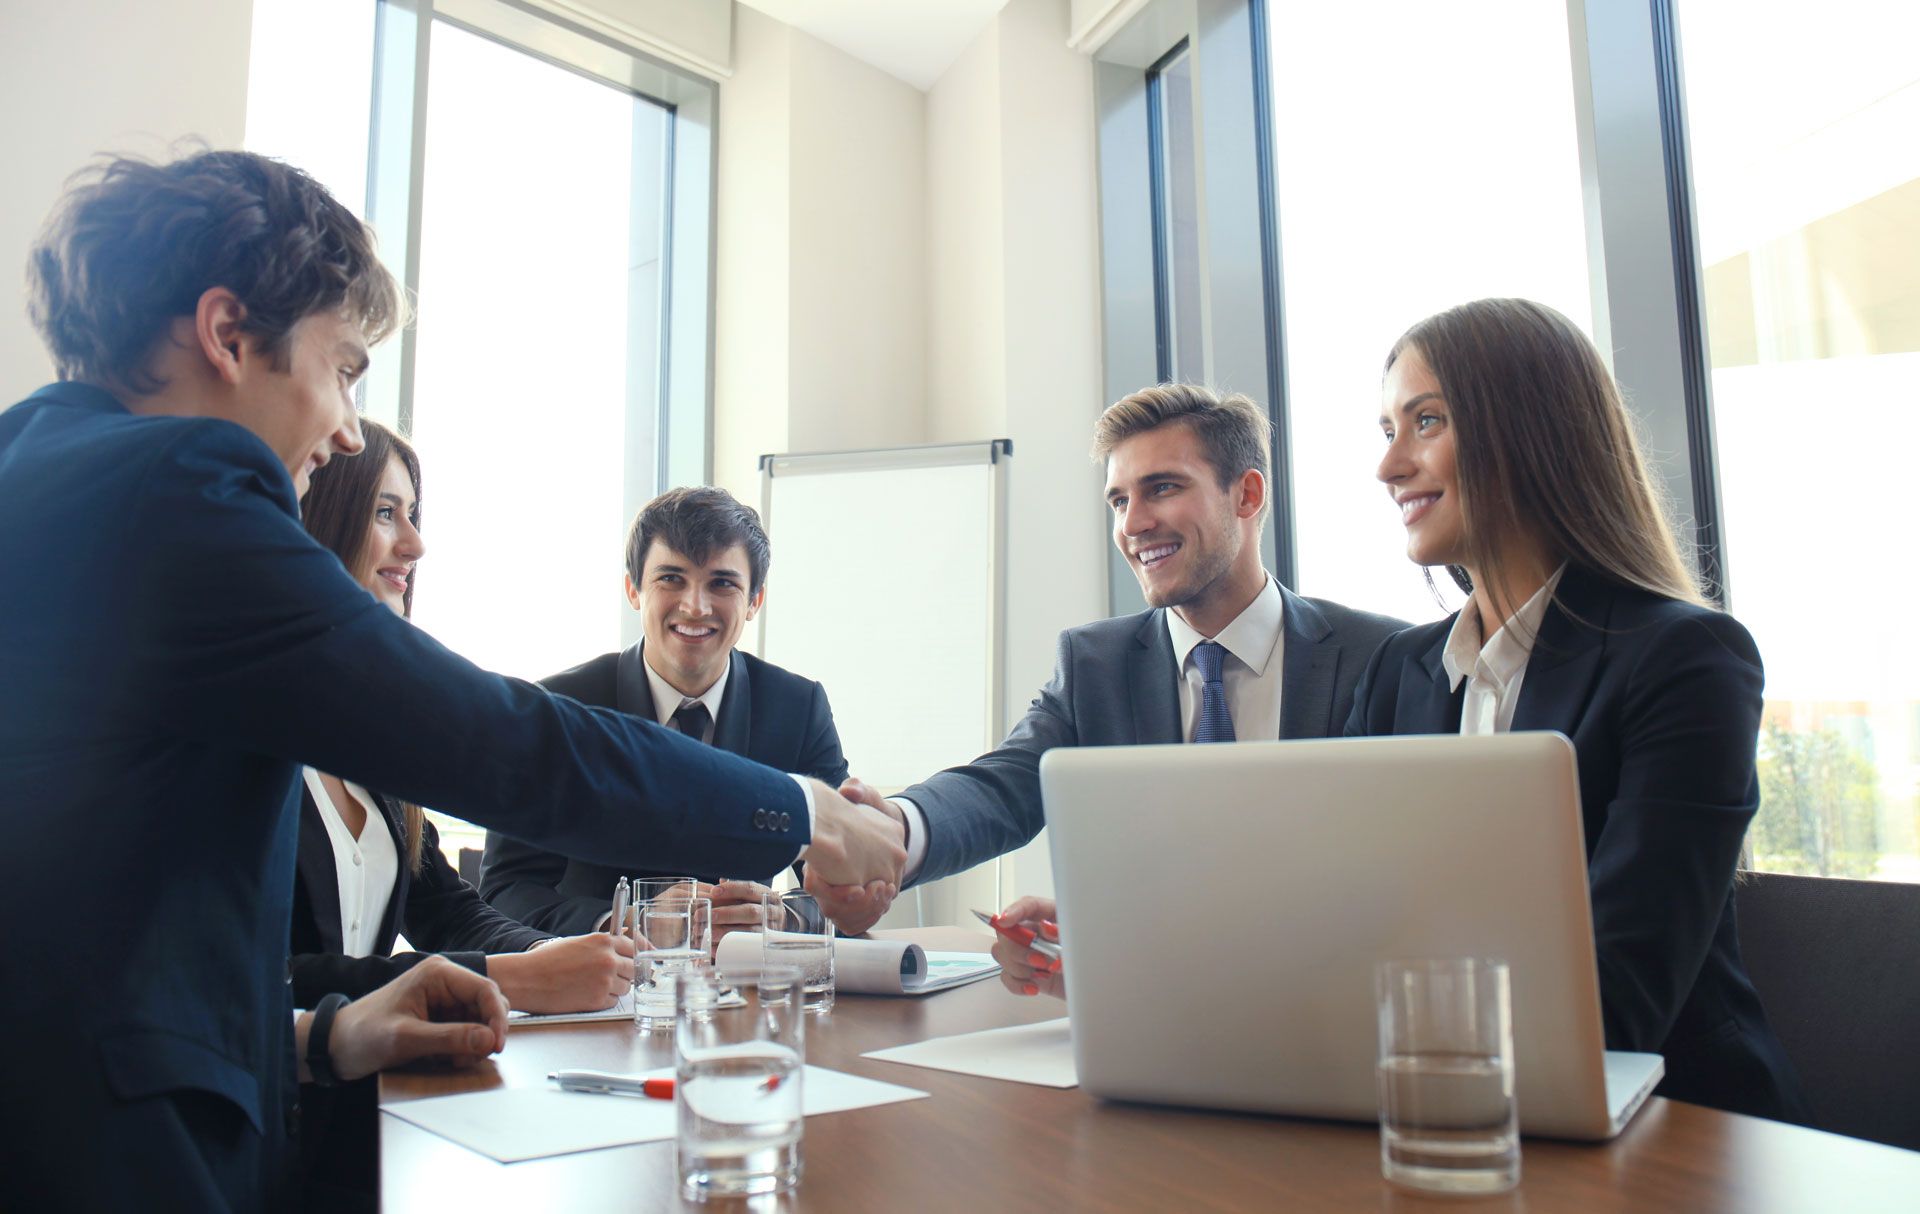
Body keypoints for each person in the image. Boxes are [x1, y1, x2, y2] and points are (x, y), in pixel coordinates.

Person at [0, 149, 902, 1211]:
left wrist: (319, 1031)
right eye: (342, 369)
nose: (342, 428)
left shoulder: (38, 468)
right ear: (228, 334)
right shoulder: (181, 486)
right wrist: (805, 813)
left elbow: (100, 918)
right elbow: (505, 742)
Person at [1347, 297, 1806, 1124]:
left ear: (1528, 430)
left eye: (1427, 421)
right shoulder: (1399, 670)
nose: (1390, 467)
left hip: (1675, 1125)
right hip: (1447, 1105)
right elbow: (1332, 905)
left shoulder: (1687, 658)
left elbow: (1619, 995)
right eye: (1389, 431)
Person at [818, 383, 1407, 932]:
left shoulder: (1382, 658)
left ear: (1247, 494)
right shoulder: (1095, 663)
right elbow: (1005, 786)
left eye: (1163, 488)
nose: (1133, 524)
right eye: (1119, 500)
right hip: (1146, 1017)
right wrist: (894, 828)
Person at [481, 485, 854, 939]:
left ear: (755, 600)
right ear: (633, 590)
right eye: (671, 579)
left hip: (748, 989)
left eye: (722, 583)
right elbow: (505, 890)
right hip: (600, 989)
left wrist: (787, 919)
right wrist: (625, 923)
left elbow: (847, 880)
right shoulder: (560, 707)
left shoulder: (797, 709)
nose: (695, 606)